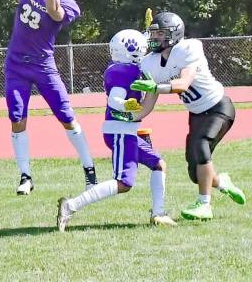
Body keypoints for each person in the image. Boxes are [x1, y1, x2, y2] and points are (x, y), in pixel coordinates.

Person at [57, 29, 177, 231]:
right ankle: (71, 205)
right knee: (124, 183)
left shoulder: (124, 67)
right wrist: (127, 105)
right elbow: (114, 100)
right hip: (120, 130)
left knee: (159, 165)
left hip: (125, 131)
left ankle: (158, 214)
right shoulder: (125, 71)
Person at [130, 11, 245, 220]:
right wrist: (130, 117)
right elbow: (148, 103)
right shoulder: (150, 63)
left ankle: (204, 206)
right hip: (196, 115)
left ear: (174, 34)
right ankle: (222, 182)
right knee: (195, 172)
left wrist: (157, 86)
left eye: (160, 34)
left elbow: (183, 84)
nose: (155, 38)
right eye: (153, 34)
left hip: (218, 107)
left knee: (201, 146)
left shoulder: (189, 48)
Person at [6, 0, 97, 195]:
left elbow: (54, 11)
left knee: (67, 118)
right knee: (17, 118)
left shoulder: (70, 5)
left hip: (43, 66)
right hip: (16, 64)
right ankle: (25, 176)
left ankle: (89, 170)